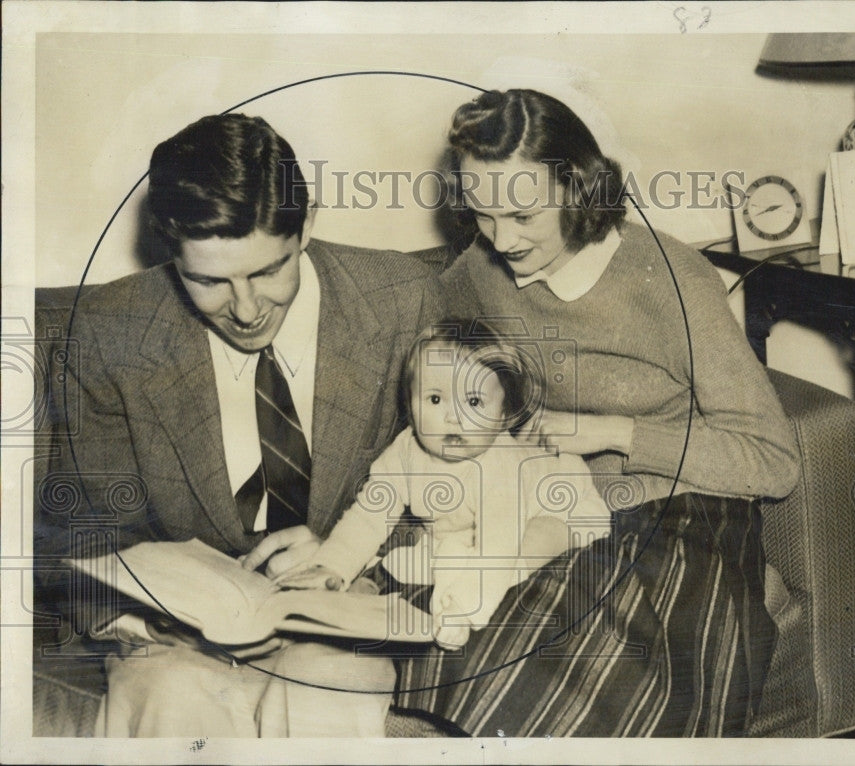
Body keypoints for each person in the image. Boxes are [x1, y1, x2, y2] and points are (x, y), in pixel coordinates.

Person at [386, 89, 800, 737]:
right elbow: (428, 366)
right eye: (482, 215)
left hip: (683, 512)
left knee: (558, 682)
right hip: (547, 506)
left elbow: (774, 464)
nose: (502, 239)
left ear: (577, 187)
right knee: (448, 655)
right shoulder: (481, 270)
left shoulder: (672, 277)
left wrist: (616, 433)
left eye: (523, 215)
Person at [42, 112, 441, 736]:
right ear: (170, 254)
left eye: (267, 271)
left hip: (347, 607)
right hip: (178, 643)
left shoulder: (401, 300)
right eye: (209, 281)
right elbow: (82, 528)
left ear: (306, 227)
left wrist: (349, 557)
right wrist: (153, 620)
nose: (248, 310)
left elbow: (461, 478)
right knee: (169, 697)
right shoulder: (107, 333)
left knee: (330, 688)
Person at [277, 318, 611, 650]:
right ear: (410, 404)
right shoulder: (407, 450)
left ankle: (458, 593)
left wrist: (464, 609)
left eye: (474, 402)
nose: (453, 417)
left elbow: (498, 546)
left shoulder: (498, 463)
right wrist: (331, 565)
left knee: (532, 541)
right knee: (427, 554)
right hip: (462, 532)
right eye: (435, 400)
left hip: (565, 510)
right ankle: (431, 567)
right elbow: (369, 513)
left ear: (503, 414)